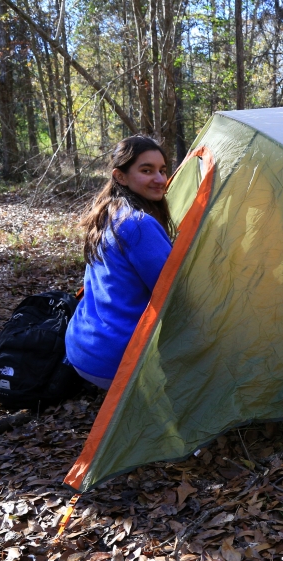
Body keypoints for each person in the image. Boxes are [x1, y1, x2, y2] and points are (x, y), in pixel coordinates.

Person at [65, 136, 174, 389]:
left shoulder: (108, 211)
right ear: (121, 176)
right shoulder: (138, 224)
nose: (160, 179)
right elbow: (176, 294)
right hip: (114, 363)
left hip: (81, 349)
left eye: (163, 170)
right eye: (146, 170)